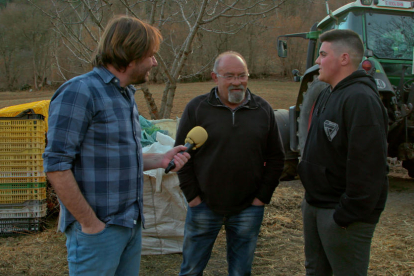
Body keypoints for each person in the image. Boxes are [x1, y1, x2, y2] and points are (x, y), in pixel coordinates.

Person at [42, 15, 190, 276]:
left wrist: (160, 159)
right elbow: (56, 166)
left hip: (129, 224)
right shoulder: (80, 92)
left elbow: (116, 157)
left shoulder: (124, 94)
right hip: (98, 231)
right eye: (151, 55)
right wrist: (89, 224)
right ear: (130, 56)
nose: (154, 62)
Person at [175, 51, 285, 276]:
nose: (237, 82)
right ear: (215, 77)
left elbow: (276, 158)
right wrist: (193, 197)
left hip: (248, 208)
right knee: (191, 270)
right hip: (204, 206)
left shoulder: (262, 110)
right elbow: (181, 156)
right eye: (229, 76)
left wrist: (261, 198)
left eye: (242, 75)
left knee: (240, 271)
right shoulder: (197, 108)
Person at [298, 29, 389, 276]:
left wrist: (345, 215)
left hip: (341, 217)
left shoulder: (361, 99)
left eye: (323, 54)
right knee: (316, 271)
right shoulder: (329, 92)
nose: (317, 60)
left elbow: (370, 168)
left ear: (344, 59)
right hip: (317, 206)